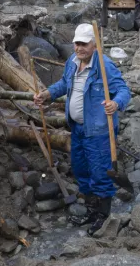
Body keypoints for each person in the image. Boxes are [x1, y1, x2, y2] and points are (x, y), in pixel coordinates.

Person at [34, 24, 130, 236]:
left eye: (84, 44)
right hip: (77, 128)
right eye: (76, 43)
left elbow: (123, 90)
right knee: (80, 169)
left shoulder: (104, 66)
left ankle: (103, 217)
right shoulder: (72, 62)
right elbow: (63, 84)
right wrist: (47, 94)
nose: (79, 48)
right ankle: (90, 209)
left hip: (99, 131)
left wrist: (116, 104)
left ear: (94, 45)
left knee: (100, 172)